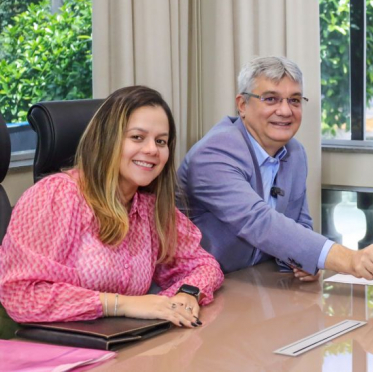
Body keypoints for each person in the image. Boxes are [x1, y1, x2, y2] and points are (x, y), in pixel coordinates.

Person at [0, 86, 224, 326]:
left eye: (161, 141)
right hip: (55, 349)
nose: (151, 150)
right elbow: (21, 295)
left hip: (121, 342)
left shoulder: (149, 207)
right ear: (107, 140)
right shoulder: (57, 196)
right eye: (137, 137)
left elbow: (204, 264)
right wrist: (122, 304)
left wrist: (187, 293)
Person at [179, 56, 373, 280]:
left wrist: (307, 261)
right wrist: (347, 259)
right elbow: (259, 222)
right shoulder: (214, 153)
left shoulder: (295, 153)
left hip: (256, 283)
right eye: (271, 99)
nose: (285, 111)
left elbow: (300, 223)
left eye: (294, 100)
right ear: (242, 105)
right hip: (195, 288)